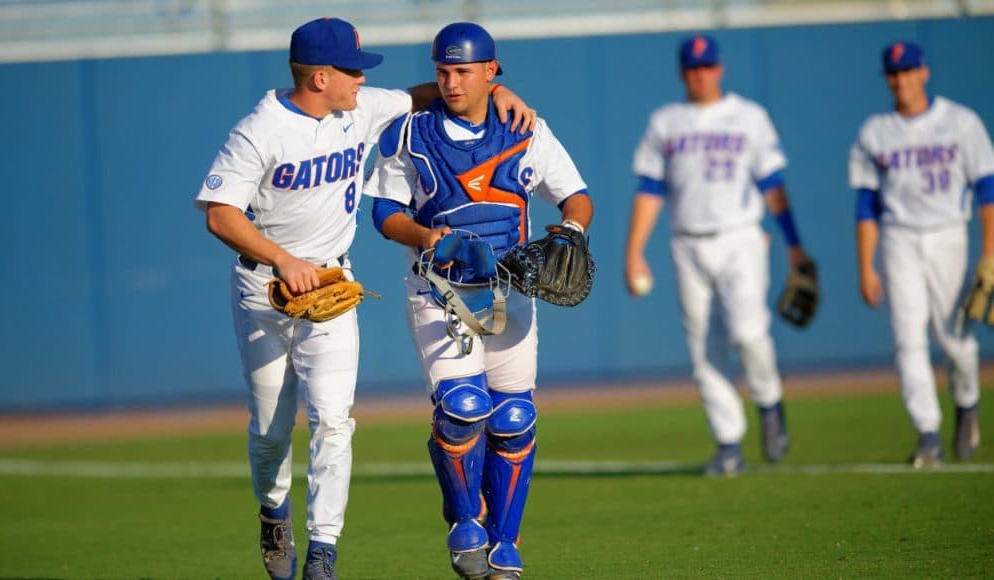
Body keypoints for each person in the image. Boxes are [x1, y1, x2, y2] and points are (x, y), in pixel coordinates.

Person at [194, 17, 535, 580]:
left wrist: (497, 88)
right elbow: (220, 213)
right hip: (265, 290)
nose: (362, 78)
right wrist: (282, 258)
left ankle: (323, 552)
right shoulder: (259, 130)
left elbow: (429, 94)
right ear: (320, 77)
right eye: (353, 70)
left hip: (333, 287)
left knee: (333, 421)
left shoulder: (359, 106)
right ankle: (274, 512)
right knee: (271, 433)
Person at [364, 22, 593, 580]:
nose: (450, 82)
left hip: (511, 288)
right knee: (463, 408)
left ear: (492, 71)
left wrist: (570, 230)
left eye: (462, 71)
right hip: (439, 290)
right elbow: (383, 212)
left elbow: (576, 196)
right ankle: (466, 519)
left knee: (514, 418)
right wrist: (424, 236)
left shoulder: (526, 129)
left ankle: (505, 541)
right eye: (442, 71)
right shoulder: (411, 134)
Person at [624, 34, 814, 476]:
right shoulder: (665, 122)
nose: (700, 73)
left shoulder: (749, 117)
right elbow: (650, 190)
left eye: (707, 66)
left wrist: (794, 243)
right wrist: (634, 252)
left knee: (748, 333)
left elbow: (772, 185)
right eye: (693, 67)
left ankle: (768, 401)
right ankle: (728, 441)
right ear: (682, 72)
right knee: (703, 347)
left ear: (720, 68)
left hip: (741, 236)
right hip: (687, 241)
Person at [849, 41, 993, 467]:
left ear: (924, 73)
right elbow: (865, 206)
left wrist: (991, 249)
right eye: (894, 74)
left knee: (956, 341)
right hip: (898, 238)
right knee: (907, 340)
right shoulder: (874, 132)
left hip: (948, 233)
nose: (901, 80)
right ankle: (927, 433)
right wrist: (865, 266)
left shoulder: (961, 123)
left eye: (908, 71)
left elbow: (987, 189)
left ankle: (966, 405)